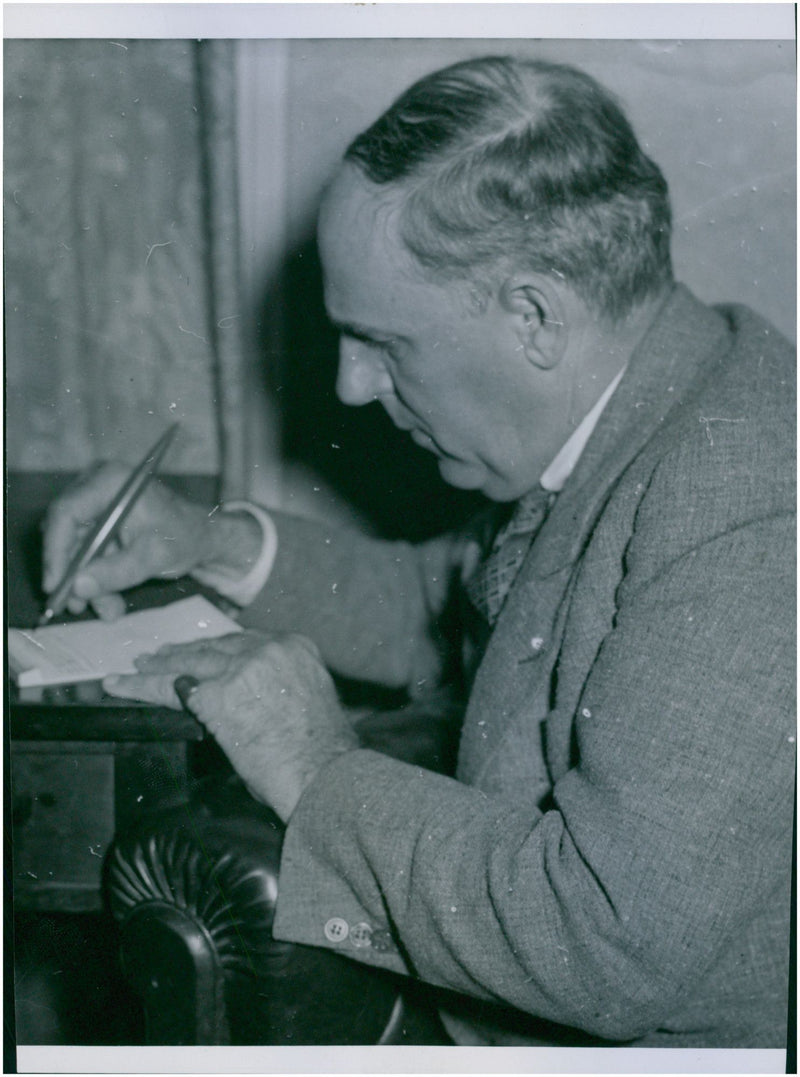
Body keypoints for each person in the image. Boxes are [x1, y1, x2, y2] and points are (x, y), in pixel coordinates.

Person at [41, 57, 794, 1048]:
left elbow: (610, 940)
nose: (351, 387)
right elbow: (457, 606)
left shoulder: (741, 493)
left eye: (383, 344)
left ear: (532, 316)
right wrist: (212, 542)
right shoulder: (650, 396)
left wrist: (316, 768)